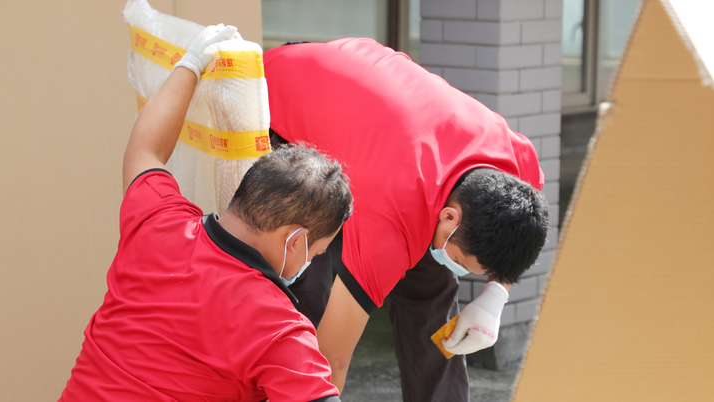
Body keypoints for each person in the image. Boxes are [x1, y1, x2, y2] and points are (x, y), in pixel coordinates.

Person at [59, 25, 351, 402]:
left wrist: (191, 64)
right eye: (314, 253)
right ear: (294, 240)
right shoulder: (278, 328)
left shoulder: (157, 224)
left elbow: (145, 149)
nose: (310, 264)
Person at [264, 38, 550, 402]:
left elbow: (520, 231)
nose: (461, 270)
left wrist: (497, 294)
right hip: (281, 101)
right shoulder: (389, 221)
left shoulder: (514, 161)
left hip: (372, 115)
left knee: (431, 287)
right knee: (306, 285)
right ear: (449, 216)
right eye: (463, 262)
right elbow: (332, 355)